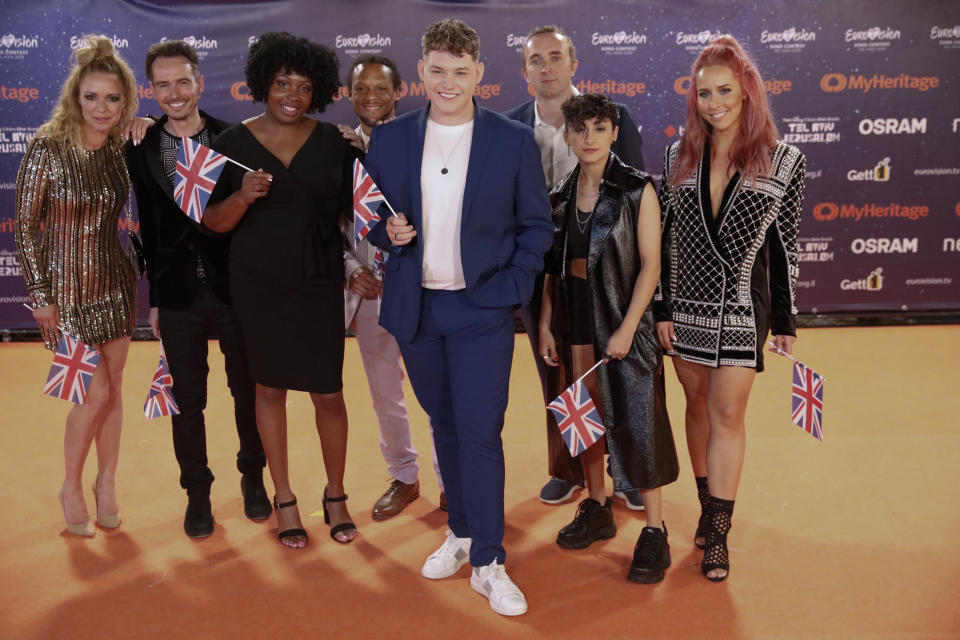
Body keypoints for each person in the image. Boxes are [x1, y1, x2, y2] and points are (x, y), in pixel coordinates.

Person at [364, 19, 553, 616]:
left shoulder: (511, 139)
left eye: (461, 72)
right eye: (438, 71)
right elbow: (373, 215)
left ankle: (490, 559)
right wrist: (385, 232)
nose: (449, 82)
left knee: (479, 430)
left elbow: (537, 227)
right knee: (443, 425)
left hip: (482, 310)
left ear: (479, 75)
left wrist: (511, 289)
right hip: (416, 308)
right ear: (421, 72)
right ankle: (463, 533)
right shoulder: (390, 139)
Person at [654, 35, 806, 582]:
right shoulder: (678, 155)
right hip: (685, 308)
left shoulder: (784, 161)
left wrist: (785, 320)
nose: (714, 102)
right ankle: (705, 505)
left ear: (747, 91)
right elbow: (666, 241)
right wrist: (661, 309)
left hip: (741, 306)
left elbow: (785, 245)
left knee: (728, 414)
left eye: (724, 90)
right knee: (696, 407)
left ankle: (718, 532)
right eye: (703, 93)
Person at [203, 32, 358, 548]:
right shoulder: (229, 144)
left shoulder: (335, 141)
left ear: (320, 92)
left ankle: (336, 495)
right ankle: (285, 497)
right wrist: (243, 198)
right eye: (282, 83)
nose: (293, 94)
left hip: (317, 281)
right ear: (262, 85)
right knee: (268, 388)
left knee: (328, 390)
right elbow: (213, 222)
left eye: (305, 86)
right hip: (259, 284)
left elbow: (352, 212)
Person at [125, 40, 270, 539]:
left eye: (182, 82)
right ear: (152, 90)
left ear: (199, 83)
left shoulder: (234, 139)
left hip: (234, 291)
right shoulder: (140, 144)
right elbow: (147, 224)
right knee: (187, 401)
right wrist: (157, 299)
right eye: (162, 85)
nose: (174, 93)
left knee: (246, 392)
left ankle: (253, 477)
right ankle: (198, 492)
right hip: (178, 295)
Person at [503, 25, 647, 509]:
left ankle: (623, 470)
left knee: (619, 371)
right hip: (540, 272)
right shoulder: (509, 127)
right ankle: (568, 469)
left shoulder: (614, 116)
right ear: (524, 73)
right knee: (557, 372)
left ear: (573, 62)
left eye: (555, 56)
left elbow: (636, 192)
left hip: (607, 273)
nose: (547, 66)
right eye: (536, 60)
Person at [539, 94, 678, 583]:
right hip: (575, 320)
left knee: (641, 422)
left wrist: (626, 326)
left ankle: (655, 532)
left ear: (614, 132)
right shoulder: (558, 195)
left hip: (624, 318)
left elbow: (651, 265)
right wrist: (543, 323)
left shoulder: (638, 189)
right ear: (568, 136)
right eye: (581, 130)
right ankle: (597, 507)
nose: (591, 138)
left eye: (600, 128)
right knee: (585, 418)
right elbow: (554, 270)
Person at [15, 36, 139, 537]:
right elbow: (25, 225)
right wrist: (40, 296)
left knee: (113, 393)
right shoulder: (47, 145)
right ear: (76, 97)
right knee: (93, 394)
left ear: (125, 101)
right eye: (92, 97)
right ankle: (70, 485)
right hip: (64, 295)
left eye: (113, 98)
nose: (102, 108)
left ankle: (105, 484)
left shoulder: (120, 147)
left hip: (114, 283)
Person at [337, 54, 445, 518]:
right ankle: (404, 476)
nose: (371, 98)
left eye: (381, 88)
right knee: (386, 393)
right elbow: (326, 223)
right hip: (367, 293)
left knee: (439, 390)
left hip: (422, 287)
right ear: (349, 94)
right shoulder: (335, 150)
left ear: (400, 91)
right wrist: (348, 267)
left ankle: (451, 479)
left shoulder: (426, 140)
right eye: (362, 89)